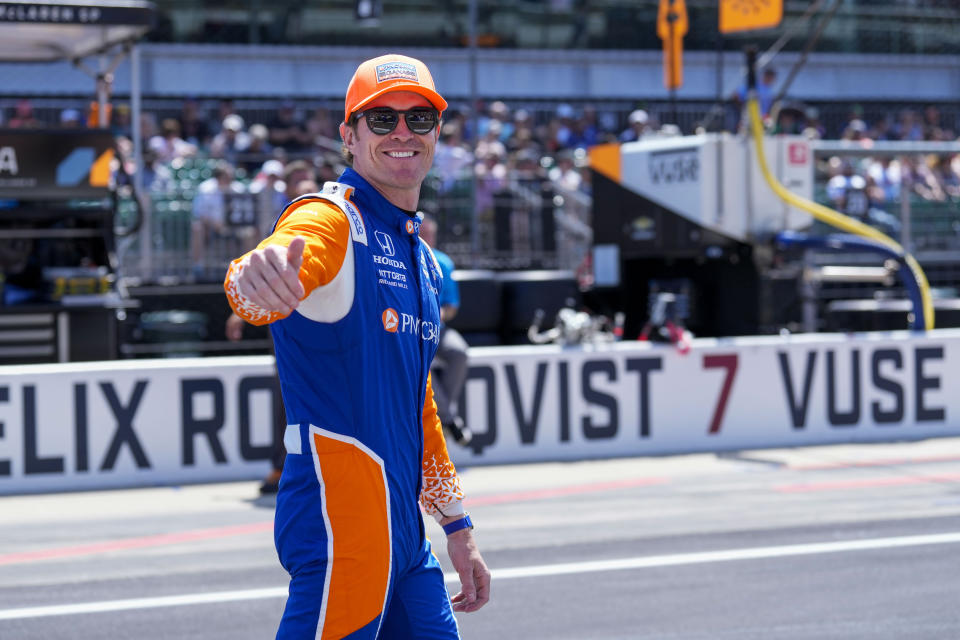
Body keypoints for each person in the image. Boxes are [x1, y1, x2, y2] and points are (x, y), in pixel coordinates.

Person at [223, 53, 490, 638]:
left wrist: (457, 525)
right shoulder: (330, 219)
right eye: (380, 119)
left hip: (406, 539)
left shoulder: (420, 257)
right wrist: (252, 277)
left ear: (436, 134)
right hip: (341, 526)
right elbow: (274, 262)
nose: (401, 132)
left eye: (419, 119)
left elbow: (418, 402)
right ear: (349, 136)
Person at [420, 214, 472, 446]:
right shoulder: (403, 255)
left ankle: (444, 418)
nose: (426, 238)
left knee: (459, 352)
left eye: (430, 233)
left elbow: (452, 304)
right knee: (423, 365)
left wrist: (440, 313)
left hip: (438, 327)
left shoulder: (443, 262)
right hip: (411, 331)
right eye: (423, 233)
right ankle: (450, 421)